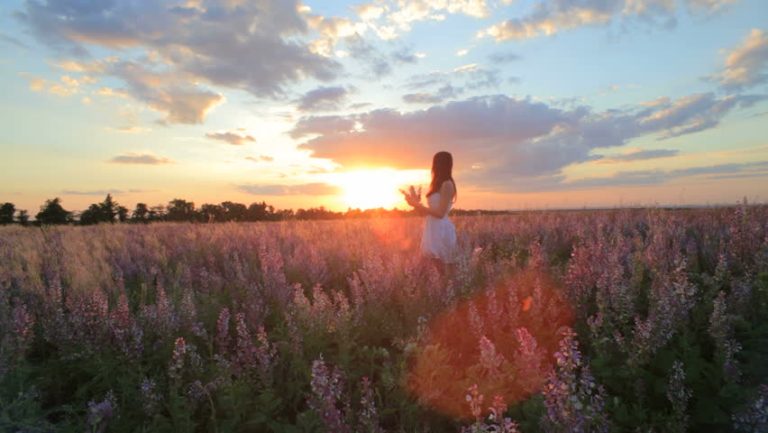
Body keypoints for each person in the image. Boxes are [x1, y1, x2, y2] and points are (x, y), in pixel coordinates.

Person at [401, 151, 457, 275]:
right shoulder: (436, 185)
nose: (434, 167)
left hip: (442, 229)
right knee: (435, 269)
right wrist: (414, 204)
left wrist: (417, 205)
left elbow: (440, 213)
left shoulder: (447, 184)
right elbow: (426, 213)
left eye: (436, 163)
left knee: (444, 270)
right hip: (432, 228)